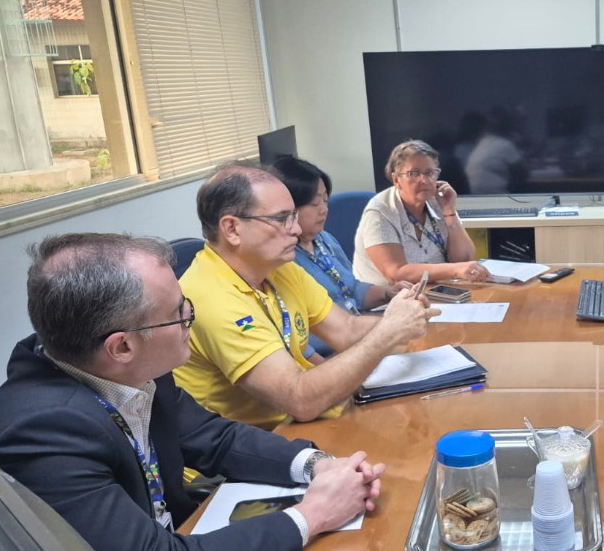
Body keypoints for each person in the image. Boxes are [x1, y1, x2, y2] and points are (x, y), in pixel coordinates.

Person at [0, 233, 387, 551]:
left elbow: (215, 437)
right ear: (121, 346)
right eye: (178, 314)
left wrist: (318, 465)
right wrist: (313, 514)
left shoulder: (133, 365)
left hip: (185, 543)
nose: (190, 319)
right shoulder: (41, 432)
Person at [174, 162, 438, 431]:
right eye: (281, 219)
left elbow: (346, 329)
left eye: (294, 216)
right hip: (249, 451)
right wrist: (388, 331)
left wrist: (401, 317)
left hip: (300, 424)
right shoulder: (211, 298)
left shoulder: (279, 268)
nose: (297, 229)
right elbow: (298, 399)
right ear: (231, 229)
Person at [271, 155, 411, 356]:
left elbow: (351, 289)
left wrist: (387, 293)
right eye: (314, 203)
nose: (324, 210)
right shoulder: (283, 260)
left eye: (326, 201)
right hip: (333, 350)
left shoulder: (323, 239)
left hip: (359, 332)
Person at [354, 140, 490, 285]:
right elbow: (396, 273)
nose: (424, 180)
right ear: (396, 179)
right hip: (389, 299)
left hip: (438, 289)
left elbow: (464, 260)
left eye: (430, 173)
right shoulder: (380, 212)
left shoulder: (438, 200)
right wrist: (454, 270)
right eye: (414, 173)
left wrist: (449, 213)